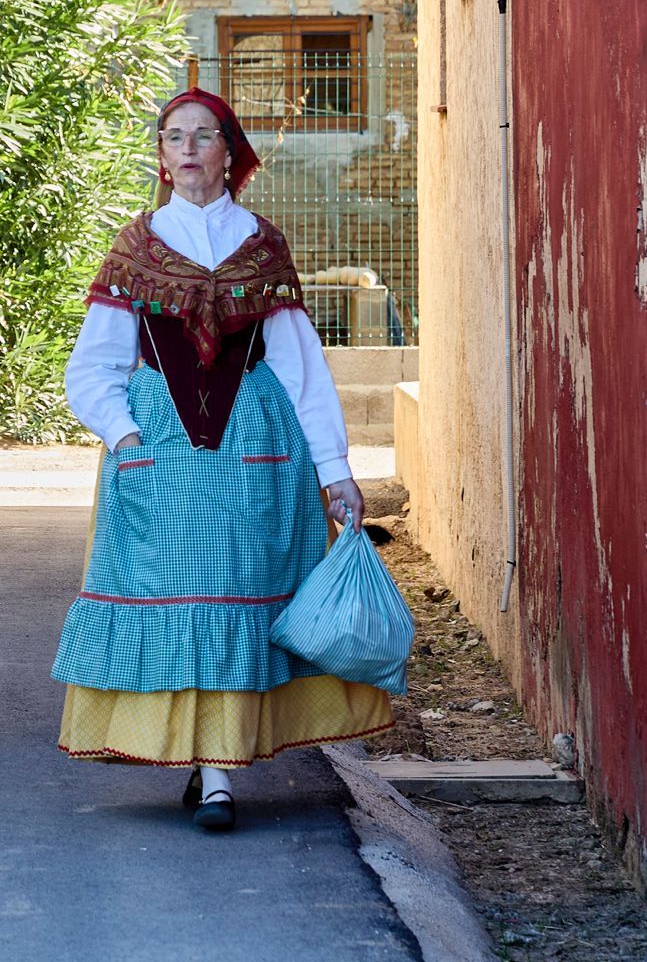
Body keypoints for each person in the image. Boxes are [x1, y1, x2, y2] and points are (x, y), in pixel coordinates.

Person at [51, 88, 393, 832]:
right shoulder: (136, 248)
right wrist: (124, 434)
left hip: (253, 450)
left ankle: (218, 775)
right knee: (181, 597)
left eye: (201, 136)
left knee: (237, 597)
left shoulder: (262, 247)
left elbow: (301, 366)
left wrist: (334, 469)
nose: (185, 150)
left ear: (227, 153)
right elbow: (92, 368)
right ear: (161, 156)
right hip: (161, 452)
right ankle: (197, 760)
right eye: (172, 137)